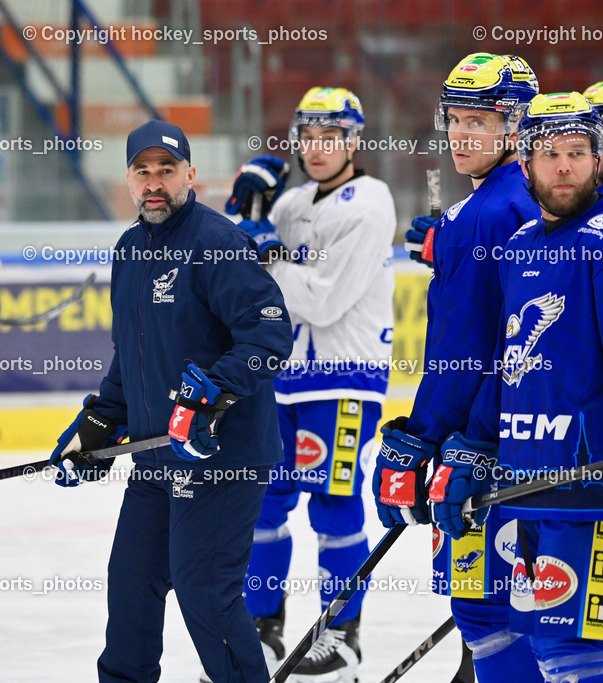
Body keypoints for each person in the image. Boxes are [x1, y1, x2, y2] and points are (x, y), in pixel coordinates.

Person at [430, 91, 603, 682]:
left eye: (577, 152)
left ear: (598, 160)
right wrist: (478, 445)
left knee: (584, 661)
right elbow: (508, 362)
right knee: (536, 653)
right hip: (529, 486)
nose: (563, 166)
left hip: (602, 488)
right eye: (550, 154)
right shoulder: (519, 248)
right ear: (525, 163)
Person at [46, 119, 293, 683]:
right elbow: (131, 359)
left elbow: (270, 335)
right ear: (128, 179)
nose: (154, 182)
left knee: (206, 590)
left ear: (191, 175)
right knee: (132, 584)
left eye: (167, 170)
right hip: (157, 458)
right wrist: (99, 422)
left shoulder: (217, 240)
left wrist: (214, 391)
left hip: (221, 458)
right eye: (142, 171)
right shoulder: (130, 250)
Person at [374, 53, 542, 682]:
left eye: (483, 119)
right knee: (529, 604)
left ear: (516, 125)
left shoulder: (486, 213)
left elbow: (465, 348)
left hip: (480, 444)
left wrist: (419, 440)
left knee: (485, 612)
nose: (463, 134)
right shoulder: (521, 197)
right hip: (526, 437)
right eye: (456, 118)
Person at [225, 86, 396, 681]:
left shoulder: (370, 203)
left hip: (343, 379)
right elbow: (241, 275)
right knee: (264, 504)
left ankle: (342, 636)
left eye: (332, 136)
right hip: (282, 378)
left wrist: (265, 249)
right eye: (309, 135)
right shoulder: (292, 202)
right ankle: (262, 631)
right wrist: (242, 214)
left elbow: (322, 301)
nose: (318, 147)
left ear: (354, 140)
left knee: (334, 502)